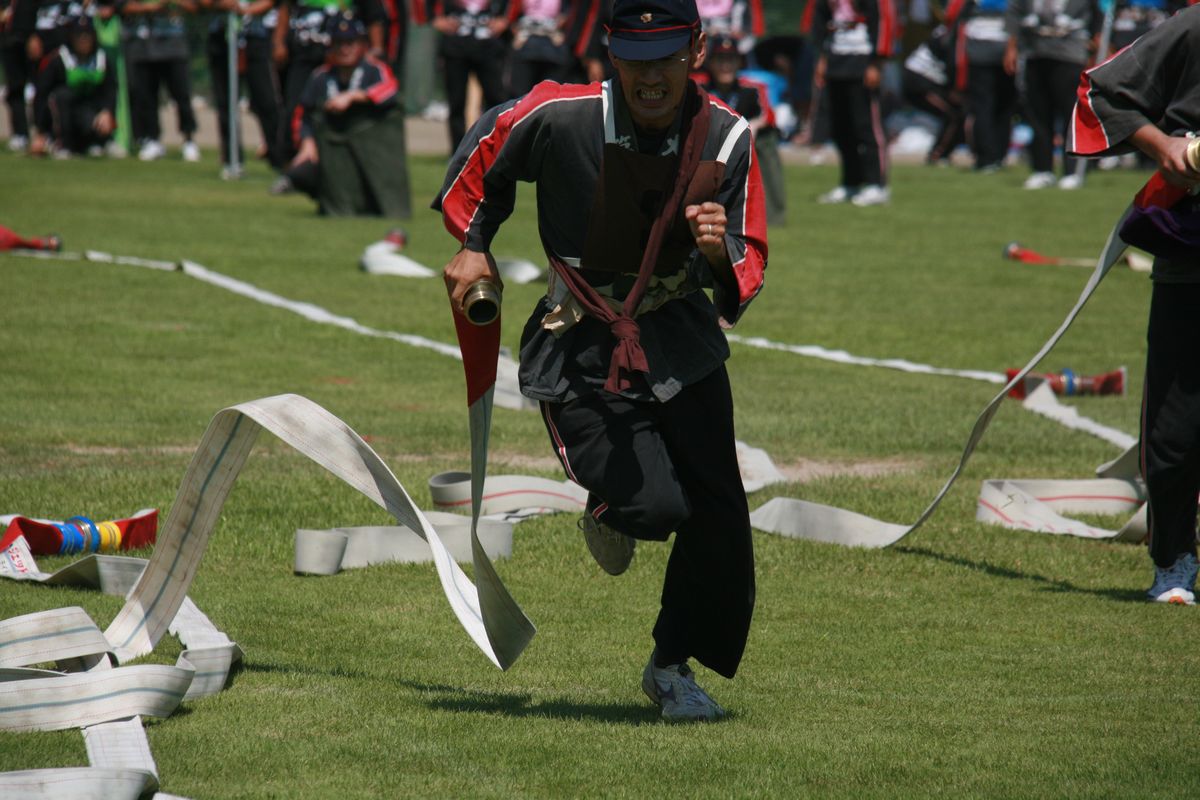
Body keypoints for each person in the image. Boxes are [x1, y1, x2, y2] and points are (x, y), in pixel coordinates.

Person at [435, 0, 767, 722]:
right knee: (656, 506)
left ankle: (671, 666)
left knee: (719, 516)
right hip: (581, 341)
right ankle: (613, 506)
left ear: (699, 49)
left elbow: (748, 262)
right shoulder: (560, 114)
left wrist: (716, 251)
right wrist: (475, 239)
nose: (651, 75)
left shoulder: (729, 136)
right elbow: (486, 146)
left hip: (681, 339)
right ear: (609, 55)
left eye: (669, 54)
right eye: (634, 57)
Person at [1067, 4, 1200, 604]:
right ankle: (1174, 560)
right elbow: (1100, 94)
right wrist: (1164, 145)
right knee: (1174, 430)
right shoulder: (1195, 27)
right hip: (1190, 253)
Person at [284, 12, 410, 216]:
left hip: (370, 155)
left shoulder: (374, 70)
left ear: (361, 44)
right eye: (339, 43)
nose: (345, 48)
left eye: (350, 42)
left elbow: (392, 90)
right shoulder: (321, 76)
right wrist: (307, 142)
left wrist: (355, 96)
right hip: (332, 154)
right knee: (299, 172)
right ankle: (333, 201)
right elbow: (303, 114)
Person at [810, 0, 898, 206]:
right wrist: (822, 56)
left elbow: (884, 20)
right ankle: (851, 183)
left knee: (868, 127)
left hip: (863, 61)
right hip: (836, 60)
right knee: (842, 128)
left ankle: (878, 185)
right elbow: (821, 18)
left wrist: (877, 62)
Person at [1006, 0, 1100, 190]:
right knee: (1038, 114)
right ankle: (1042, 170)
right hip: (1035, 52)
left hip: (1070, 55)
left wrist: (1095, 51)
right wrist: (1012, 48)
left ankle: (1072, 170)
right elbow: (1015, 15)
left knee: (1070, 114)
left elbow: (1097, 21)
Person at [702, 32, 785, 225]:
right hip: (710, 143)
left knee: (767, 140)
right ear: (710, 63)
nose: (726, 66)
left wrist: (753, 126)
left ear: (740, 63)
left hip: (747, 141)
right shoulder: (701, 89)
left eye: (731, 60)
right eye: (720, 60)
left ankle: (773, 215)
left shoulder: (751, 89)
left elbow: (768, 115)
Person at [200, 0, 285, 177]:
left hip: (255, 39)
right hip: (223, 37)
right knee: (227, 103)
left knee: (267, 102)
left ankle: (280, 159)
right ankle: (232, 159)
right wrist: (221, 4)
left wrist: (245, 9)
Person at [118, 0, 202, 161]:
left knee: (181, 94)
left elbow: (196, 7)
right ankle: (152, 139)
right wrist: (147, 7)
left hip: (173, 45)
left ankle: (189, 139)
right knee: (146, 96)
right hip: (142, 45)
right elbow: (121, 6)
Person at [428, 0, 511, 152]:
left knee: (496, 100)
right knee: (456, 101)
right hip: (456, 46)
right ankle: (458, 152)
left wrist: (506, 19)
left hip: (489, 46)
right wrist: (434, 18)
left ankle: (495, 149)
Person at [945, 0, 1016, 173]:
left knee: (983, 106)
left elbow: (952, 13)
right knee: (1005, 106)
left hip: (979, 48)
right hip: (1008, 47)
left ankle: (987, 158)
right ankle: (999, 155)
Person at [32, 14, 117, 155]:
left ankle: (97, 142)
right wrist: (40, 132)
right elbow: (41, 94)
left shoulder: (101, 59)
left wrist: (108, 112)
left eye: (87, 36)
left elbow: (110, 90)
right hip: (61, 114)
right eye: (80, 36)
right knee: (62, 96)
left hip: (87, 110)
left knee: (93, 110)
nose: (83, 40)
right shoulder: (59, 59)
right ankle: (61, 144)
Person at [901, 22, 966, 165]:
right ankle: (937, 156)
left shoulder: (949, 29)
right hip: (919, 81)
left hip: (927, 80)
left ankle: (941, 155)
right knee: (953, 115)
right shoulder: (952, 32)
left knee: (957, 114)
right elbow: (953, 62)